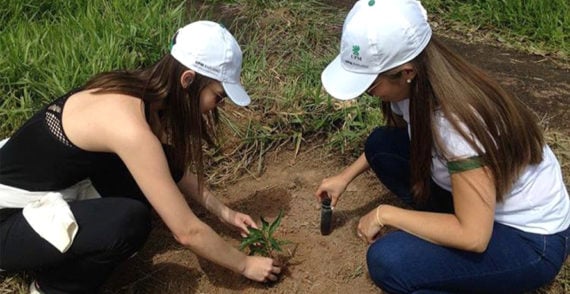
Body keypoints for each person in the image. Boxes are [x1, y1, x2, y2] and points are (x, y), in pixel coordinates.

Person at [0, 20, 281, 293]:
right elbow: (187, 232)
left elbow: (168, 167)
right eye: (217, 96)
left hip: (40, 183)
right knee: (128, 222)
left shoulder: (135, 90)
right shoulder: (131, 128)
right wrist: (244, 265)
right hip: (5, 221)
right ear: (188, 80)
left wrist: (225, 212)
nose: (217, 106)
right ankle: (53, 287)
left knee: (162, 160)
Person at [315, 0, 570, 292]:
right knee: (380, 146)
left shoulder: (456, 125)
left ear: (406, 71)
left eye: (370, 85)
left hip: (530, 239)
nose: (366, 94)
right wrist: (344, 178)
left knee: (390, 261)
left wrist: (386, 213)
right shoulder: (419, 84)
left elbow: (474, 236)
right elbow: (396, 140)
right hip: (484, 202)